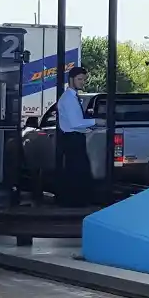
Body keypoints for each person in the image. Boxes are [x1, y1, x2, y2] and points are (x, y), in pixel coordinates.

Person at [56, 66, 96, 204]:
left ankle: (74, 200)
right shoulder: (69, 99)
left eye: (84, 79)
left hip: (73, 137)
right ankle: (76, 201)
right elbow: (76, 122)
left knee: (76, 170)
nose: (82, 82)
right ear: (71, 79)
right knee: (78, 171)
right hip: (72, 139)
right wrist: (95, 121)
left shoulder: (71, 98)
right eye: (80, 79)